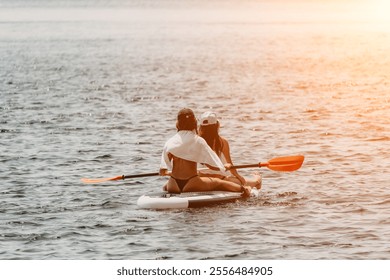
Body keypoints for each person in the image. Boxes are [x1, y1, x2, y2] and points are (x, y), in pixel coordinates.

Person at [159, 108, 251, 197]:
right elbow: (212, 165)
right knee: (218, 183)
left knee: (165, 187)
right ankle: (244, 190)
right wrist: (224, 167)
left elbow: (163, 171)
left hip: (173, 184)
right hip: (191, 183)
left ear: (177, 124)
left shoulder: (170, 142)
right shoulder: (198, 140)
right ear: (194, 123)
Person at [198, 111, 262, 189]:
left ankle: (257, 180)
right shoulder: (222, 142)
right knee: (248, 182)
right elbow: (230, 164)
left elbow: (229, 165)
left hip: (205, 179)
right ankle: (257, 181)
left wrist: (238, 176)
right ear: (217, 125)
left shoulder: (196, 141)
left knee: (242, 181)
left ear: (201, 127)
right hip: (220, 179)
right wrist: (238, 177)